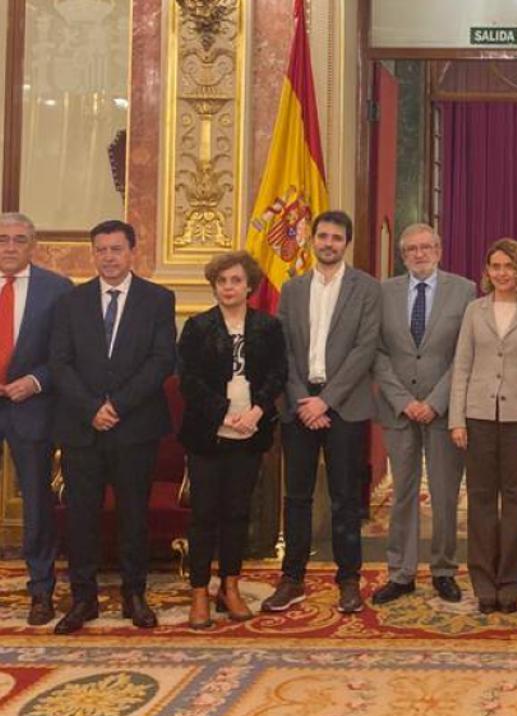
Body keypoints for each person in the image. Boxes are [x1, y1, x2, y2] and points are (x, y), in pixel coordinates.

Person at [49, 219, 176, 634]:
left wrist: (117, 405)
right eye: (101, 250)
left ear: (132, 252)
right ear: (93, 253)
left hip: (134, 427)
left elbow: (162, 360)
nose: (108, 257)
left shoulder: (158, 299)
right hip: (81, 428)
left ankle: (134, 596)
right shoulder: (71, 301)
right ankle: (83, 599)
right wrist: (91, 408)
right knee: (81, 517)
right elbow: (59, 362)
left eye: (116, 249)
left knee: (133, 516)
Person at [265, 210, 380, 615]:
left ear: (346, 243)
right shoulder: (292, 288)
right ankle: (292, 578)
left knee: (345, 498)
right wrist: (304, 400)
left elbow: (365, 349)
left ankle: (348, 581)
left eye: (336, 238)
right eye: (323, 236)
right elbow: (282, 349)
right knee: (296, 496)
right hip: (299, 405)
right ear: (312, 239)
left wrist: (325, 401)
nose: (329, 243)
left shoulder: (367, 288)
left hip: (344, 405)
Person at [177, 251, 287, 629]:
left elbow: (278, 374)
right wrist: (223, 416)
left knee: (237, 514)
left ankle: (230, 587)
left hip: (251, 433)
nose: (228, 287)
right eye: (222, 281)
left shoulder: (268, 327)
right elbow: (189, 381)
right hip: (207, 435)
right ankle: (199, 592)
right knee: (204, 514)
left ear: (249, 285)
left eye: (236, 280)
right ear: (214, 286)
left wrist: (256, 413)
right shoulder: (197, 326)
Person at [372, 224, 475, 605]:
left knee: (445, 495)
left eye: (426, 247)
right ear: (402, 256)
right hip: (398, 411)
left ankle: (444, 570)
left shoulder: (464, 290)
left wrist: (435, 402)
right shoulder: (383, 292)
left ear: (439, 250)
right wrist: (403, 400)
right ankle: (401, 573)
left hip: (444, 411)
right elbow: (377, 352)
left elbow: (465, 354)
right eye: (411, 249)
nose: (419, 254)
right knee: (403, 493)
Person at [449, 238, 517, 614]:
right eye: (495, 266)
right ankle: (483, 583)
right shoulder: (474, 311)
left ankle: (510, 583)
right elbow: (461, 366)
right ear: (487, 271)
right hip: (477, 417)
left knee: (515, 501)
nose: (502, 273)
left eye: (508, 266)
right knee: (480, 501)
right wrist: (457, 418)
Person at [0, 213, 72, 626]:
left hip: (32, 406)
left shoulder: (56, 289)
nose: (10, 247)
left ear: (33, 245)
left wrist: (35, 381)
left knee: (36, 502)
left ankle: (41, 590)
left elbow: (66, 352)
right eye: (3, 239)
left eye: (19, 239)